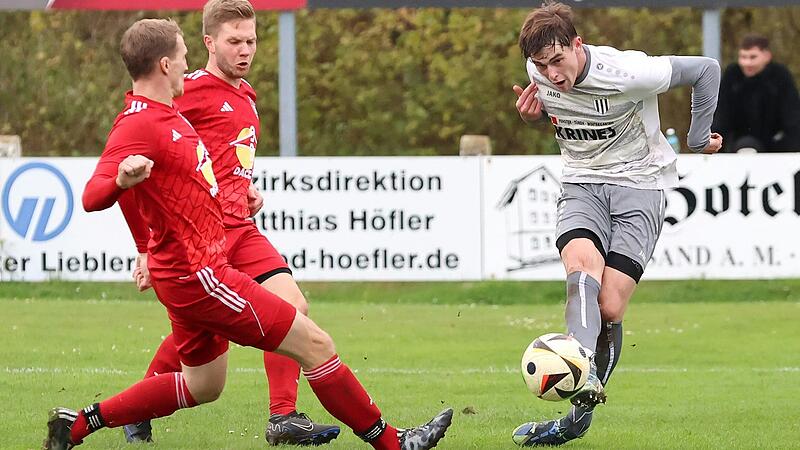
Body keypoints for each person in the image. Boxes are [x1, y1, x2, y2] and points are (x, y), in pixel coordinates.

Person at [43, 17, 452, 450]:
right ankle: (391, 442)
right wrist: (125, 192)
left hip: (191, 267)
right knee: (314, 343)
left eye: (249, 40)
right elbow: (93, 194)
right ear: (166, 64)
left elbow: (187, 175)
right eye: (184, 56)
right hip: (199, 271)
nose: (189, 66)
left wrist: (237, 191)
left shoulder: (170, 113)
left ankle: (78, 424)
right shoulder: (142, 121)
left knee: (203, 385)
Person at [119, 1, 339, 446]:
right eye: (233, 41)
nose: (244, 50)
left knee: (292, 304)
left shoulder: (248, 96)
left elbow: (221, 159)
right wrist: (145, 244)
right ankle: (138, 405)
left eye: (251, 41)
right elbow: (147, 146)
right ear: (208, 43)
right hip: (200, 237)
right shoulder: (189, 90)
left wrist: (245, 187)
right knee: (206, 331)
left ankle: (283, 417)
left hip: (240, 227)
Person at [510, 2, 721, 446]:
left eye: (558, 61)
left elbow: (706, 69)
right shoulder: (536, 69)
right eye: (542, 65)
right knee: (580, 270)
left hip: (640, 187)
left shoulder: (629, 72)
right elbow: (556, 111)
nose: (551, 74)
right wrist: (532, 117)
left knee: (609, 309)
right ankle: (578, 363)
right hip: (582, 183)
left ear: (577, 45)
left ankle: (575, 421)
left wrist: (699, 138)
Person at [712, 34, 800, 152]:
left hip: (774, 147)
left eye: (753, 57)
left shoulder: (780, 76)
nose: (747, 63)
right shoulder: (732, 76)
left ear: (767, 56)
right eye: (743, 57)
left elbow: (792, 117)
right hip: (736, 146)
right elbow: (721, 116)